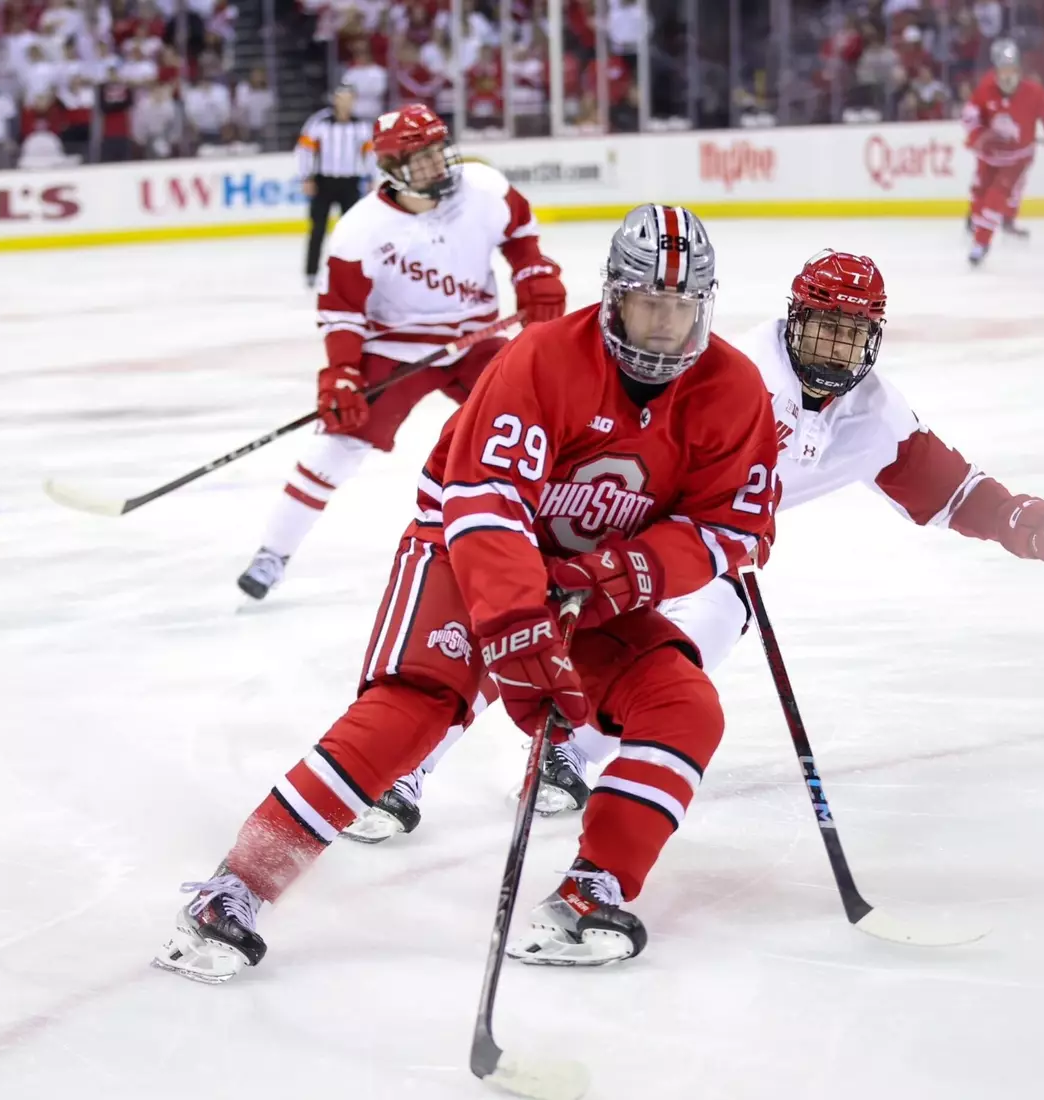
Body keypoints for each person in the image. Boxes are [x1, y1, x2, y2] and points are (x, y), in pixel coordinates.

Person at [156, 205, 782, 981]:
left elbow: (736, 532)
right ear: (614, 296)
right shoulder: (542, 358)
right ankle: (232, 891)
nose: (665, 325)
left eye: (683, 305)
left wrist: (629, 573)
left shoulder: (733, 389)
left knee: (685, 705)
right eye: (650, 302)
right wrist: (520, 626)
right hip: (464, 556)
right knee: (413, 711)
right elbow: (483, 502)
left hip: (592, 589)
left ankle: (594, 890)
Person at [347, 249, 1044, 840]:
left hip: (705, 554)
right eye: (824, 325)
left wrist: (1022, 517)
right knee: (526, 619)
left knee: (701, 634)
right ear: (792, 318)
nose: (837, 345)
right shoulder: (732, 369)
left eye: (854, 333)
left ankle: (568, 753)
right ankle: (407, 767)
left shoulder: (876, 414)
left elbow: (947, 488)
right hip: (609, 521)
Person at [236, 104, 567, 600]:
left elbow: (520, 235)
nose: (437, 164)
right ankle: (273, 554)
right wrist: (343, 374)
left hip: (477, 340)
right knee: (339, 443)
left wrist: (534, 273)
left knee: (539, 426)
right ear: (392, 169)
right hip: (398, 350)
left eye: (439, 151)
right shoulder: (360, 229)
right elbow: (343, 313)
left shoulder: (482, 188)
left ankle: (569, 541)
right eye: (421, 157)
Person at [961, 38, 1044, 268]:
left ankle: (981, 244)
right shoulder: (985, 89)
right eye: (1003, 69)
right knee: (980, 197)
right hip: (989, 158)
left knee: (996, 197)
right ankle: (978, 224)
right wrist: (980, 136)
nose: (1007, 75)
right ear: (996, 70)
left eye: (1012, 69)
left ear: (1019, 69)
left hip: (1017, 159)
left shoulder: (1034, 92)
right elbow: (969, 117)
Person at [296, 84, 373, 288]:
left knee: (351, 231)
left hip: (350, 182)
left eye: (349, 98)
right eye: (342, 98)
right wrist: (306, 177)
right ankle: (311, 273)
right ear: (335, 100)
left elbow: (370, 154)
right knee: (318, 228)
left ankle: (353, 271)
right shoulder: (319, 123)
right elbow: (305, 150)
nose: (345, 103)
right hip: (324, 182)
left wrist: (372, 178)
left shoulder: (362, 126)